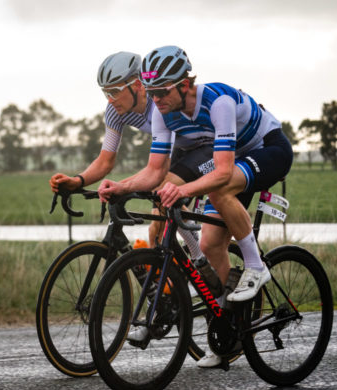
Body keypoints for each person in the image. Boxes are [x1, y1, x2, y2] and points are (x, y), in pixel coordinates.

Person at [97, 45, 293, 367]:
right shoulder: (162, 111)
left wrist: (183, 189)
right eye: (151, 92)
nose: (156, 100)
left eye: (162, 91)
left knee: (219, 189)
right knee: (210, 244)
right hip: (238, 159)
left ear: (185, 84)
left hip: (267, 148)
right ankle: (230, 327)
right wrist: (121, 186)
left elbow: (223, 172)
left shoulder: (219, 103)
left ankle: (257, 268)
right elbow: (156, 171)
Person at [49, 51, 213, 255]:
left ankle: (200, 260)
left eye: (115, 91)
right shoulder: (115, 112)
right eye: (105, 93)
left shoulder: (161, 104)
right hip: (183, 149)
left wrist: (122, 187)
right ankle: (178, 273)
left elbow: (156, 170)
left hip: (209, 147)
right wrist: (78, 181)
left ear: (137, 85)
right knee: (156, 230)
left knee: (161, 191)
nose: (110, 100)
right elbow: (105, 161)